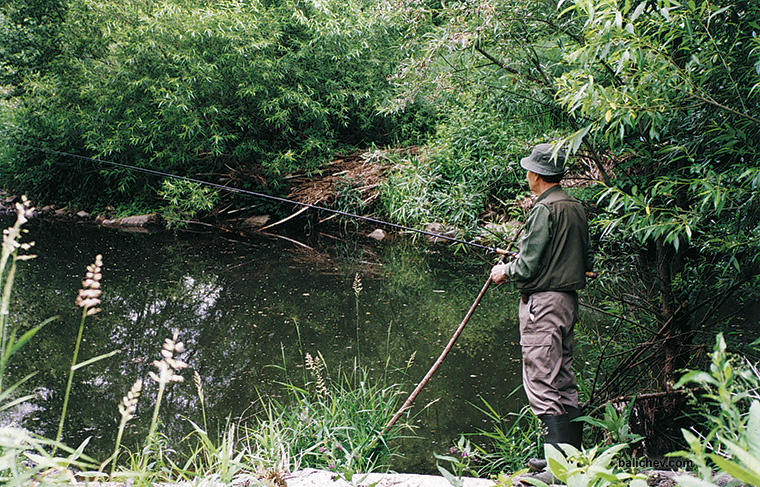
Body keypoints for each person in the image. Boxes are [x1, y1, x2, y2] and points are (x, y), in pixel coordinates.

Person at [490, 143, 594, 482]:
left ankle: (555, 470)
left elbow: (529, 265)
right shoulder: (575, 206)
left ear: (537, 174)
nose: (527, 176)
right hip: (567, 303)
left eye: (529, 171)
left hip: (543, 306)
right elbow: (586, 265)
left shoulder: (544, 209)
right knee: (563, 377)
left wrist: (505, 270)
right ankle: (569, 458)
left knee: (541, 380)